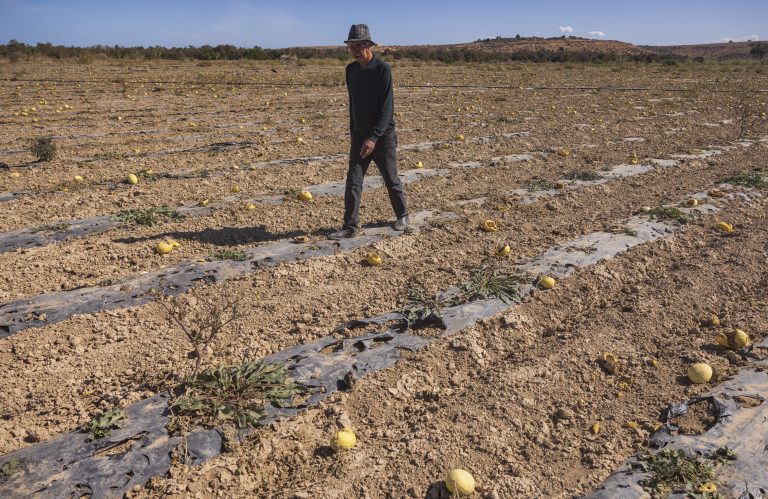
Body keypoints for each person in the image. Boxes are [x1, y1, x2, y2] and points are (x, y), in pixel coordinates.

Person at [328, 24, 409, 240]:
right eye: (350, 47)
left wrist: (373, 137)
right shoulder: (351, 71)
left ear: (368, 45)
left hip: (382, 138)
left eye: (357, 46)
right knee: (353, 180)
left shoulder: (383, 70)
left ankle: (402, 215)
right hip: (359, 137)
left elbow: (387, 109)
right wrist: (355, 132)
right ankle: (350, 226)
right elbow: (352, 104)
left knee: (390, 178)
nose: (354, 51)